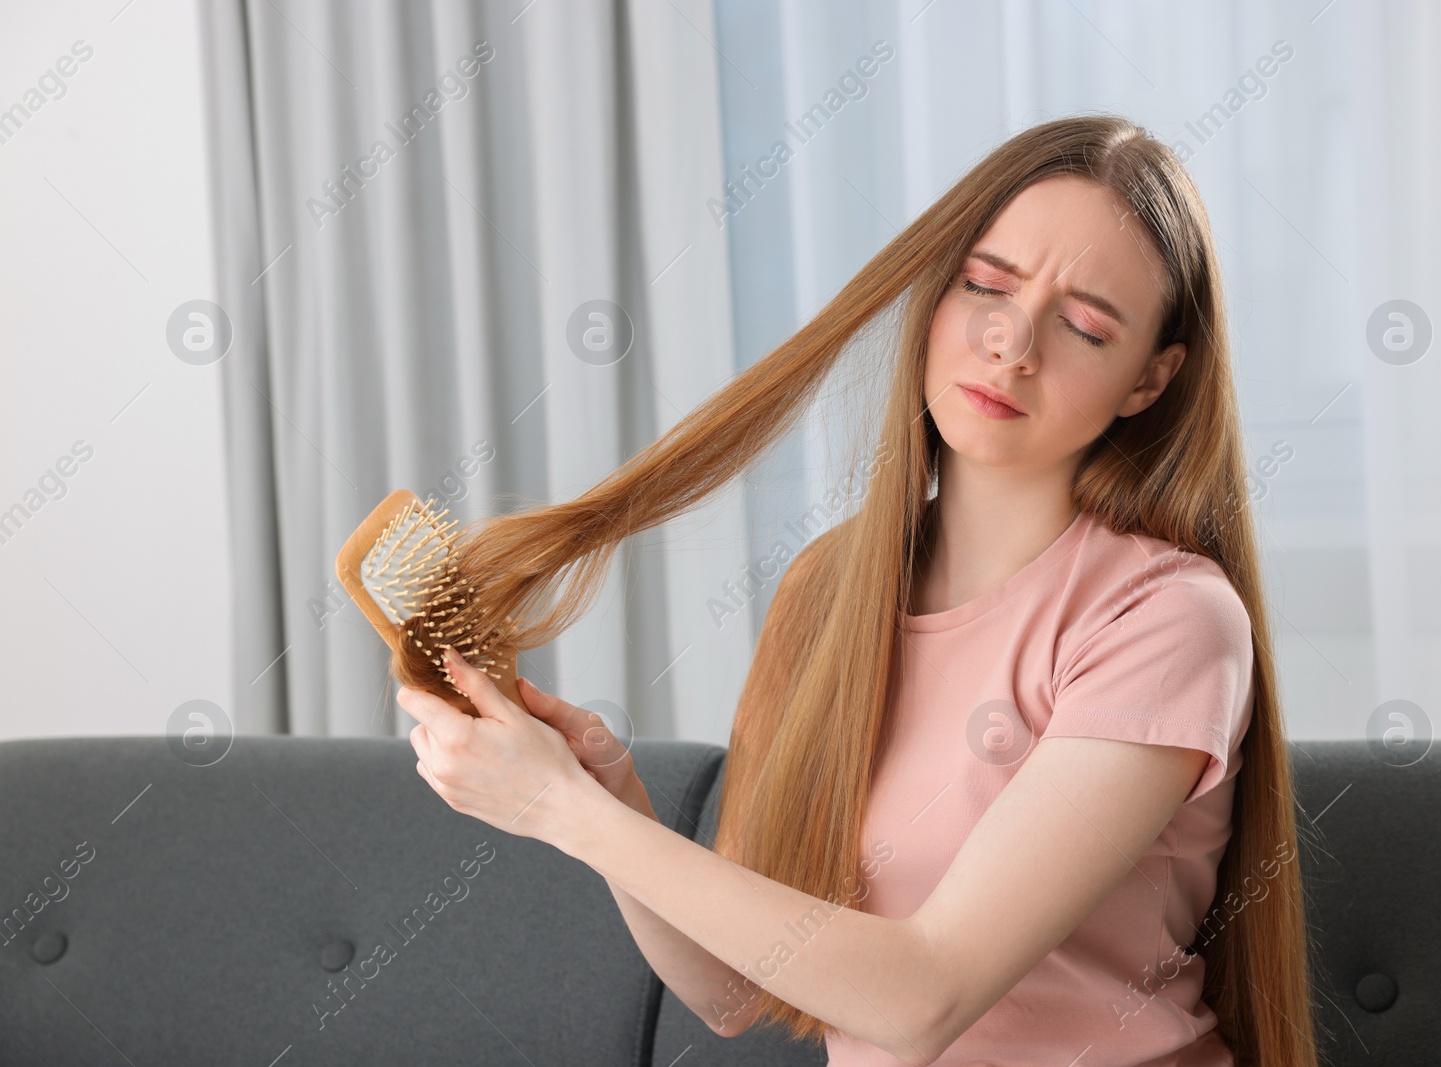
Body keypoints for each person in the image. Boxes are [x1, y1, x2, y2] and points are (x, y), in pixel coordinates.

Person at [399, 113, 1322, 1066]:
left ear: (1150, 379)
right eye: (987, 286)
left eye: (1085, 326)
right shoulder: (828, 589)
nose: (1013, 343)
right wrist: (609, 800)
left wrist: (558, 806)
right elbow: (731, 990)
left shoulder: (1167, 618)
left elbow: (927, 995)